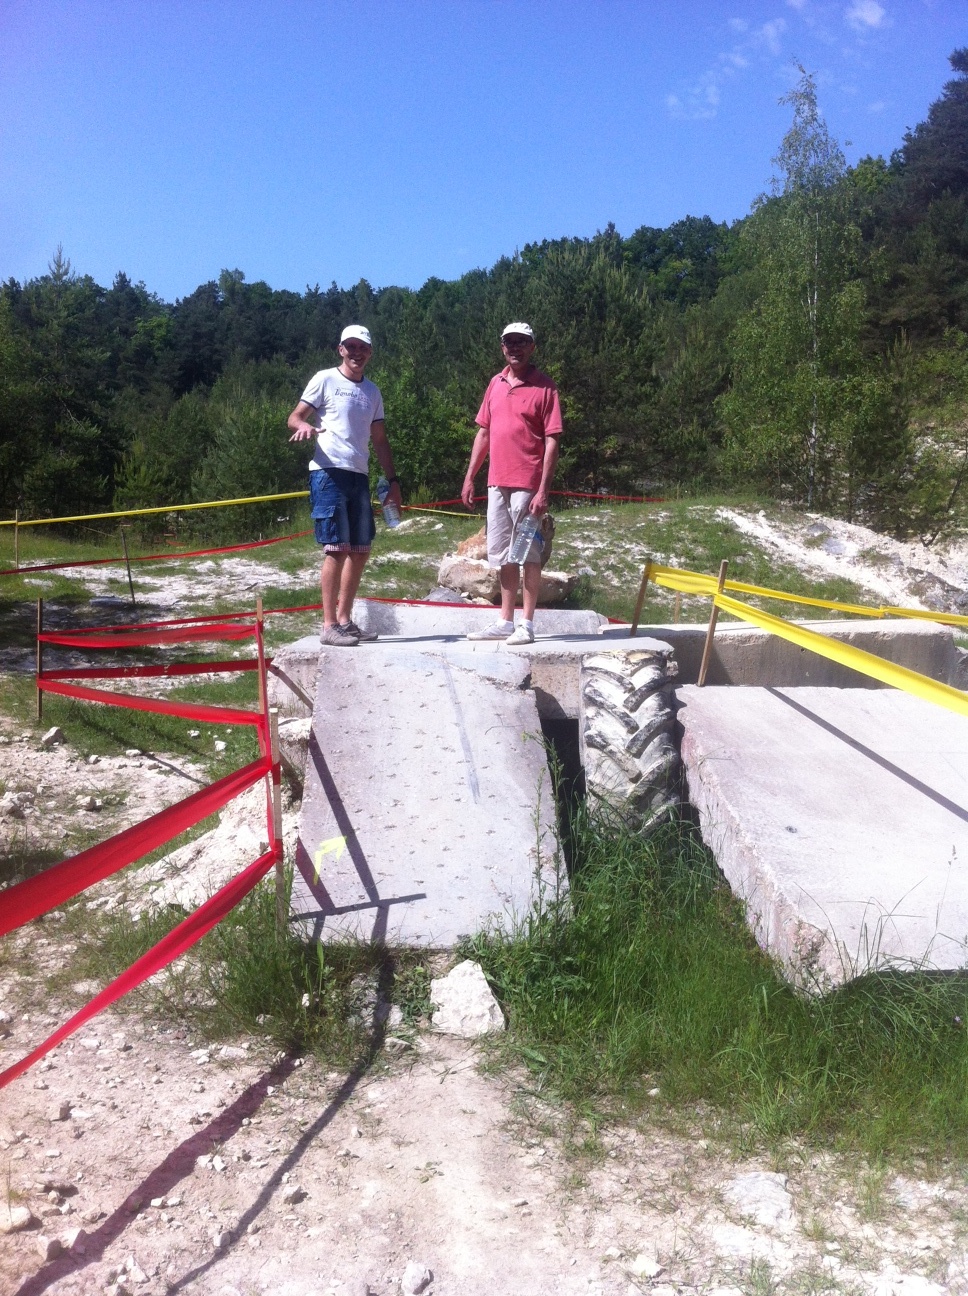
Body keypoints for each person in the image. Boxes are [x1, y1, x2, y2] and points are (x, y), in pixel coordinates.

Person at [288, 325, 402, 647]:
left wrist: (393, 481)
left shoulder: (373, 392)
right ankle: (328, 626)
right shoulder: (325, 379)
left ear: (370, 353)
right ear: (341, 349)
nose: (357, 353)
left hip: (359, 475)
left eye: (363, 347)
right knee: (337, 549)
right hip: (328, 472)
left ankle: (344, 621)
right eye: (351, 347)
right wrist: (303, 426)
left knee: (361, 550)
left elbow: (380, 439)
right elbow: (294, 417)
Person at [461, 322, 563, 644]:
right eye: (510, 342)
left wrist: (543, 489)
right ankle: (505, 621)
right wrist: (470, 477)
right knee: (503, 554)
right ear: (502, 347)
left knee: (529, 553)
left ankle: (527, 624)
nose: (515, 347)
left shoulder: (545, 387)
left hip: (527, 485)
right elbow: (484, 433)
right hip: (497, 483)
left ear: (532, 347)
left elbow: (552, 440)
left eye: (521, 342)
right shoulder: (495, 383)